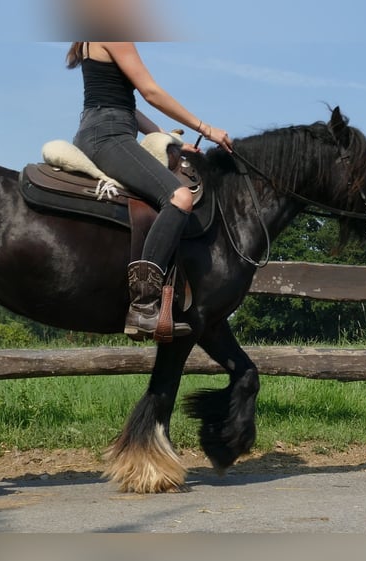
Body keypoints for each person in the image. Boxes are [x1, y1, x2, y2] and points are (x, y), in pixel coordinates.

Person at [67, 42, 232, 341]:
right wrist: (206, 128)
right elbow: (150, 92)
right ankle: (143, 307)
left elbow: (126, 105)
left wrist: (169, 139)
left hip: (106, 128)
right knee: (179, 197)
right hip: (110, 135)